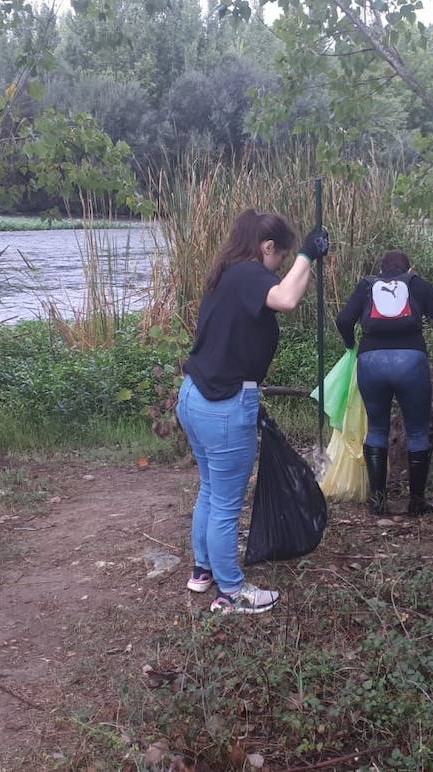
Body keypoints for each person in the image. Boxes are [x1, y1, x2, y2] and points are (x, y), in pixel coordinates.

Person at [176, 209, 330, 615]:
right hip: (223, 405)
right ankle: (232, 592)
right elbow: (287, 298)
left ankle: (202, 570)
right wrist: (309, 256)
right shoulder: (248, 274)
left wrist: (301, 259)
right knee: (226, 503)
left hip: (194, 395)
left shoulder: (228, 271)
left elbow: (279, 294)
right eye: (280, 256)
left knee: (211, 490)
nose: (279, 264)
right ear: (266, 248)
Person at [336, 250, 433, 517]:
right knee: (418, 432)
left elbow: (344, 320)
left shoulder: (367, 285)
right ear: (409, 269)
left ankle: (377, 502)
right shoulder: (417, 284)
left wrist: (350, 345)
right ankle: (416, 502)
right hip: (411, 362)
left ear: (381, 271)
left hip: (370, 361)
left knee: (377, 429)